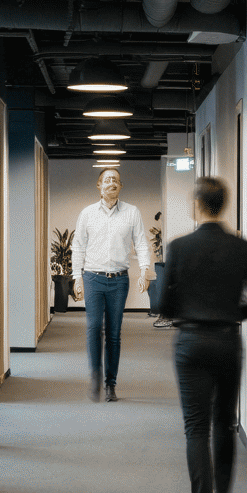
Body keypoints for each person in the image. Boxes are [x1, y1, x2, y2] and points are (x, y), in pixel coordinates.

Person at [152, 175, 247, 493]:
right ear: (223, 204)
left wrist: (188, 312)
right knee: (225, 422)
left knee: (196, 428)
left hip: (191, 342)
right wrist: (231, 315)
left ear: (196, 205)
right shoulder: (240, 247)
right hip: (228, 341)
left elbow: (163, 304)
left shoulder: (179, 247)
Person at [70, 166, 153, 402]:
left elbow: (141, 243)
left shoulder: (132, 212)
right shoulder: (87, 213)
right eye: (106, 180)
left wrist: (144, 271)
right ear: (99, 186)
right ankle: (95, 374)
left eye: (115, 180)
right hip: (93, 278)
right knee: (94, 327)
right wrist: (77, 276)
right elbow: (78, 246)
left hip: (119, 280)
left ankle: (110, 384)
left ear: (121, 186)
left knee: (114, 334)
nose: (111, 183)